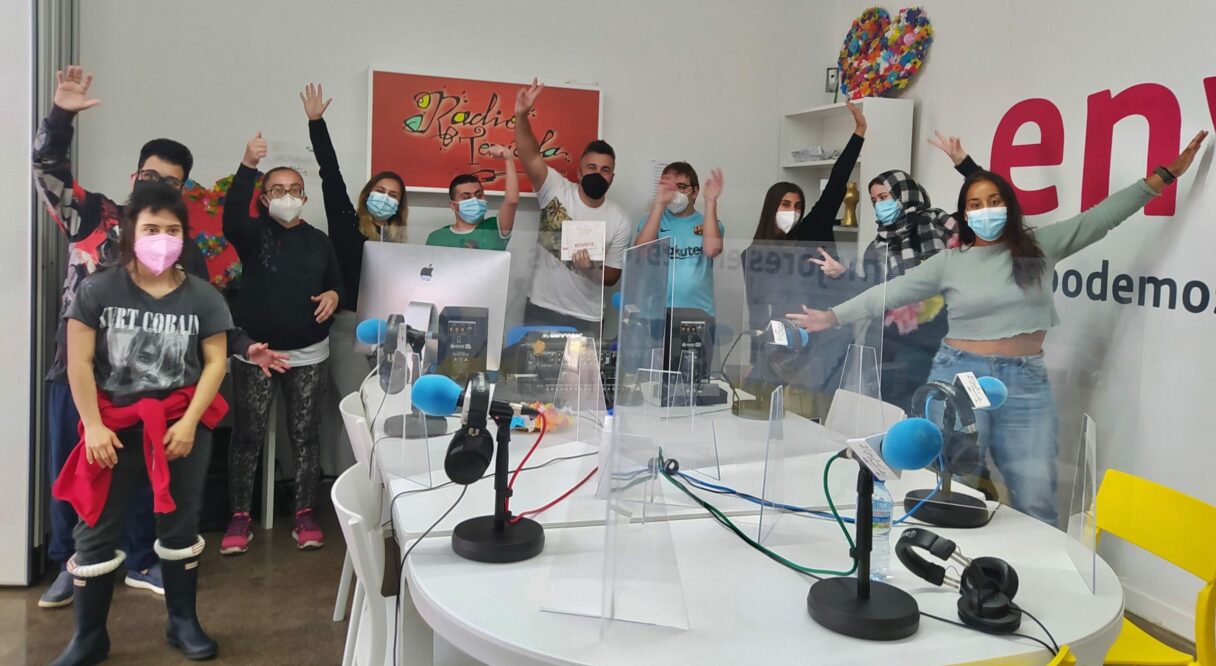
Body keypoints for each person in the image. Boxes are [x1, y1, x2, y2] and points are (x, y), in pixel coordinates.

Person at [789, 131, 1208, 525]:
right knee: (951, 484)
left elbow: (1103, 218)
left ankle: (1038, 575)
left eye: (993, 201)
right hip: (959, 375)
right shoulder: (951, 262)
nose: (984, 210)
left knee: (1035, 491)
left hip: (1025, 381)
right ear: (965, 214)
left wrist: (1164, 176)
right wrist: (832, 316)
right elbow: (890, 292)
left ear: (1007, 206)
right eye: (974, 204)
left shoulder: (1040, 247)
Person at [31, 65, 208, 607]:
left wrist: (244, 346)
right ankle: (73, 563)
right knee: (75, 472)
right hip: (79, 375)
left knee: (139, 480)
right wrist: (60, 117)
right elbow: (47, 170)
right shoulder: (94, 216)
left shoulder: (182, 244)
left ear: (181, 191)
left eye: (170, 183)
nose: (157, 187)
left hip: (146, 386)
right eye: (150, 176)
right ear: (136, 176)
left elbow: (208, 314)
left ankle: (141, 559)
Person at [51, 184, 232, 664]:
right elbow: (78, 362)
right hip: (111, 427)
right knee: (94, 532)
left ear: (184, 237)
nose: (161, 239)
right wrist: (92, 426)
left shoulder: (202, 295)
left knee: (180, 525)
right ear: (131, 232)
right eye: (151, 228)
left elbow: (215, 362)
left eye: (172, 230)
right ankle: (89, 638)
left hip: (180, 427)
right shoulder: (98, 289)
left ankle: (182, 622)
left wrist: (190, 423)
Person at [221, 129, 345, 554]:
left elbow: (336, 285)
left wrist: (333, 296)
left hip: (308, 354)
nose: (287, 196)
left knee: (306, 435)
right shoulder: (253, 235)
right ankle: (240, 517)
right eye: (277, 190)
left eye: (294, 189)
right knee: (247, 435)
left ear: (304, 198)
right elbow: (230, 219)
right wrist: (248, 165)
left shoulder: (319, 241)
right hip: (257, 353)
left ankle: (305, 512)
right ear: (264, 198)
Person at [301, 83, 407, 470]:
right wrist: (317, 123)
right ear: (367, 194)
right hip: (346, 329)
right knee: (358, 407)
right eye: (380, 190)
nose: (386, 197)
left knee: (383, 410)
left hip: (386, 335)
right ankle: (354, 482)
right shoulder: (347, 225)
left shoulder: (396, 243)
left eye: (393, 195)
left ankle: (378, 482)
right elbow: (330, 174)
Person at [737, 102, 866, 420]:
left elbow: (836, 185)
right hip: (780, 343)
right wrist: (755, 358)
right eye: (785, 204)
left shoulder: (812, 231)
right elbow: (756, 313)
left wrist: (858, 134)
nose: (792, 211)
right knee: (755, 413)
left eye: (797, 205)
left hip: (823, 340)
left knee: (806, 416)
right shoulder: (753, 254)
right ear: (771, 207)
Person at [513, 78, 631, 339]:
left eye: (605, 170)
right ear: (579, 171)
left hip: (587, 316)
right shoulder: (556, 189)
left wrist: (590, 269)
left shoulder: (619, 220)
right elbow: (529, 155)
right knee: (530, 367)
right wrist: (521, 116)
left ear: (612, 177)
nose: (598, 174)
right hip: (542, 308)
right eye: (591, 167)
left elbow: (612, 276)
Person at [633, 162, 725, 315]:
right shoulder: (651, 221)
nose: (675, 192)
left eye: (681, 187)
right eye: (670, 187)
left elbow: (711, 250)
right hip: (656, 312)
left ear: (694, 192)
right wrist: (659, 203)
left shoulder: (710, 223)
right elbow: (640, 252)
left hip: (699, 312)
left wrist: (710, 201)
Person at [427, 147, 519, 250]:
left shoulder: (494, 228)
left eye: (479, 195)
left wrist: (508, 158)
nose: (475, 200)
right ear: (453, 205)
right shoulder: (437, 237)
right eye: (466, 197)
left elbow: (512, 201)